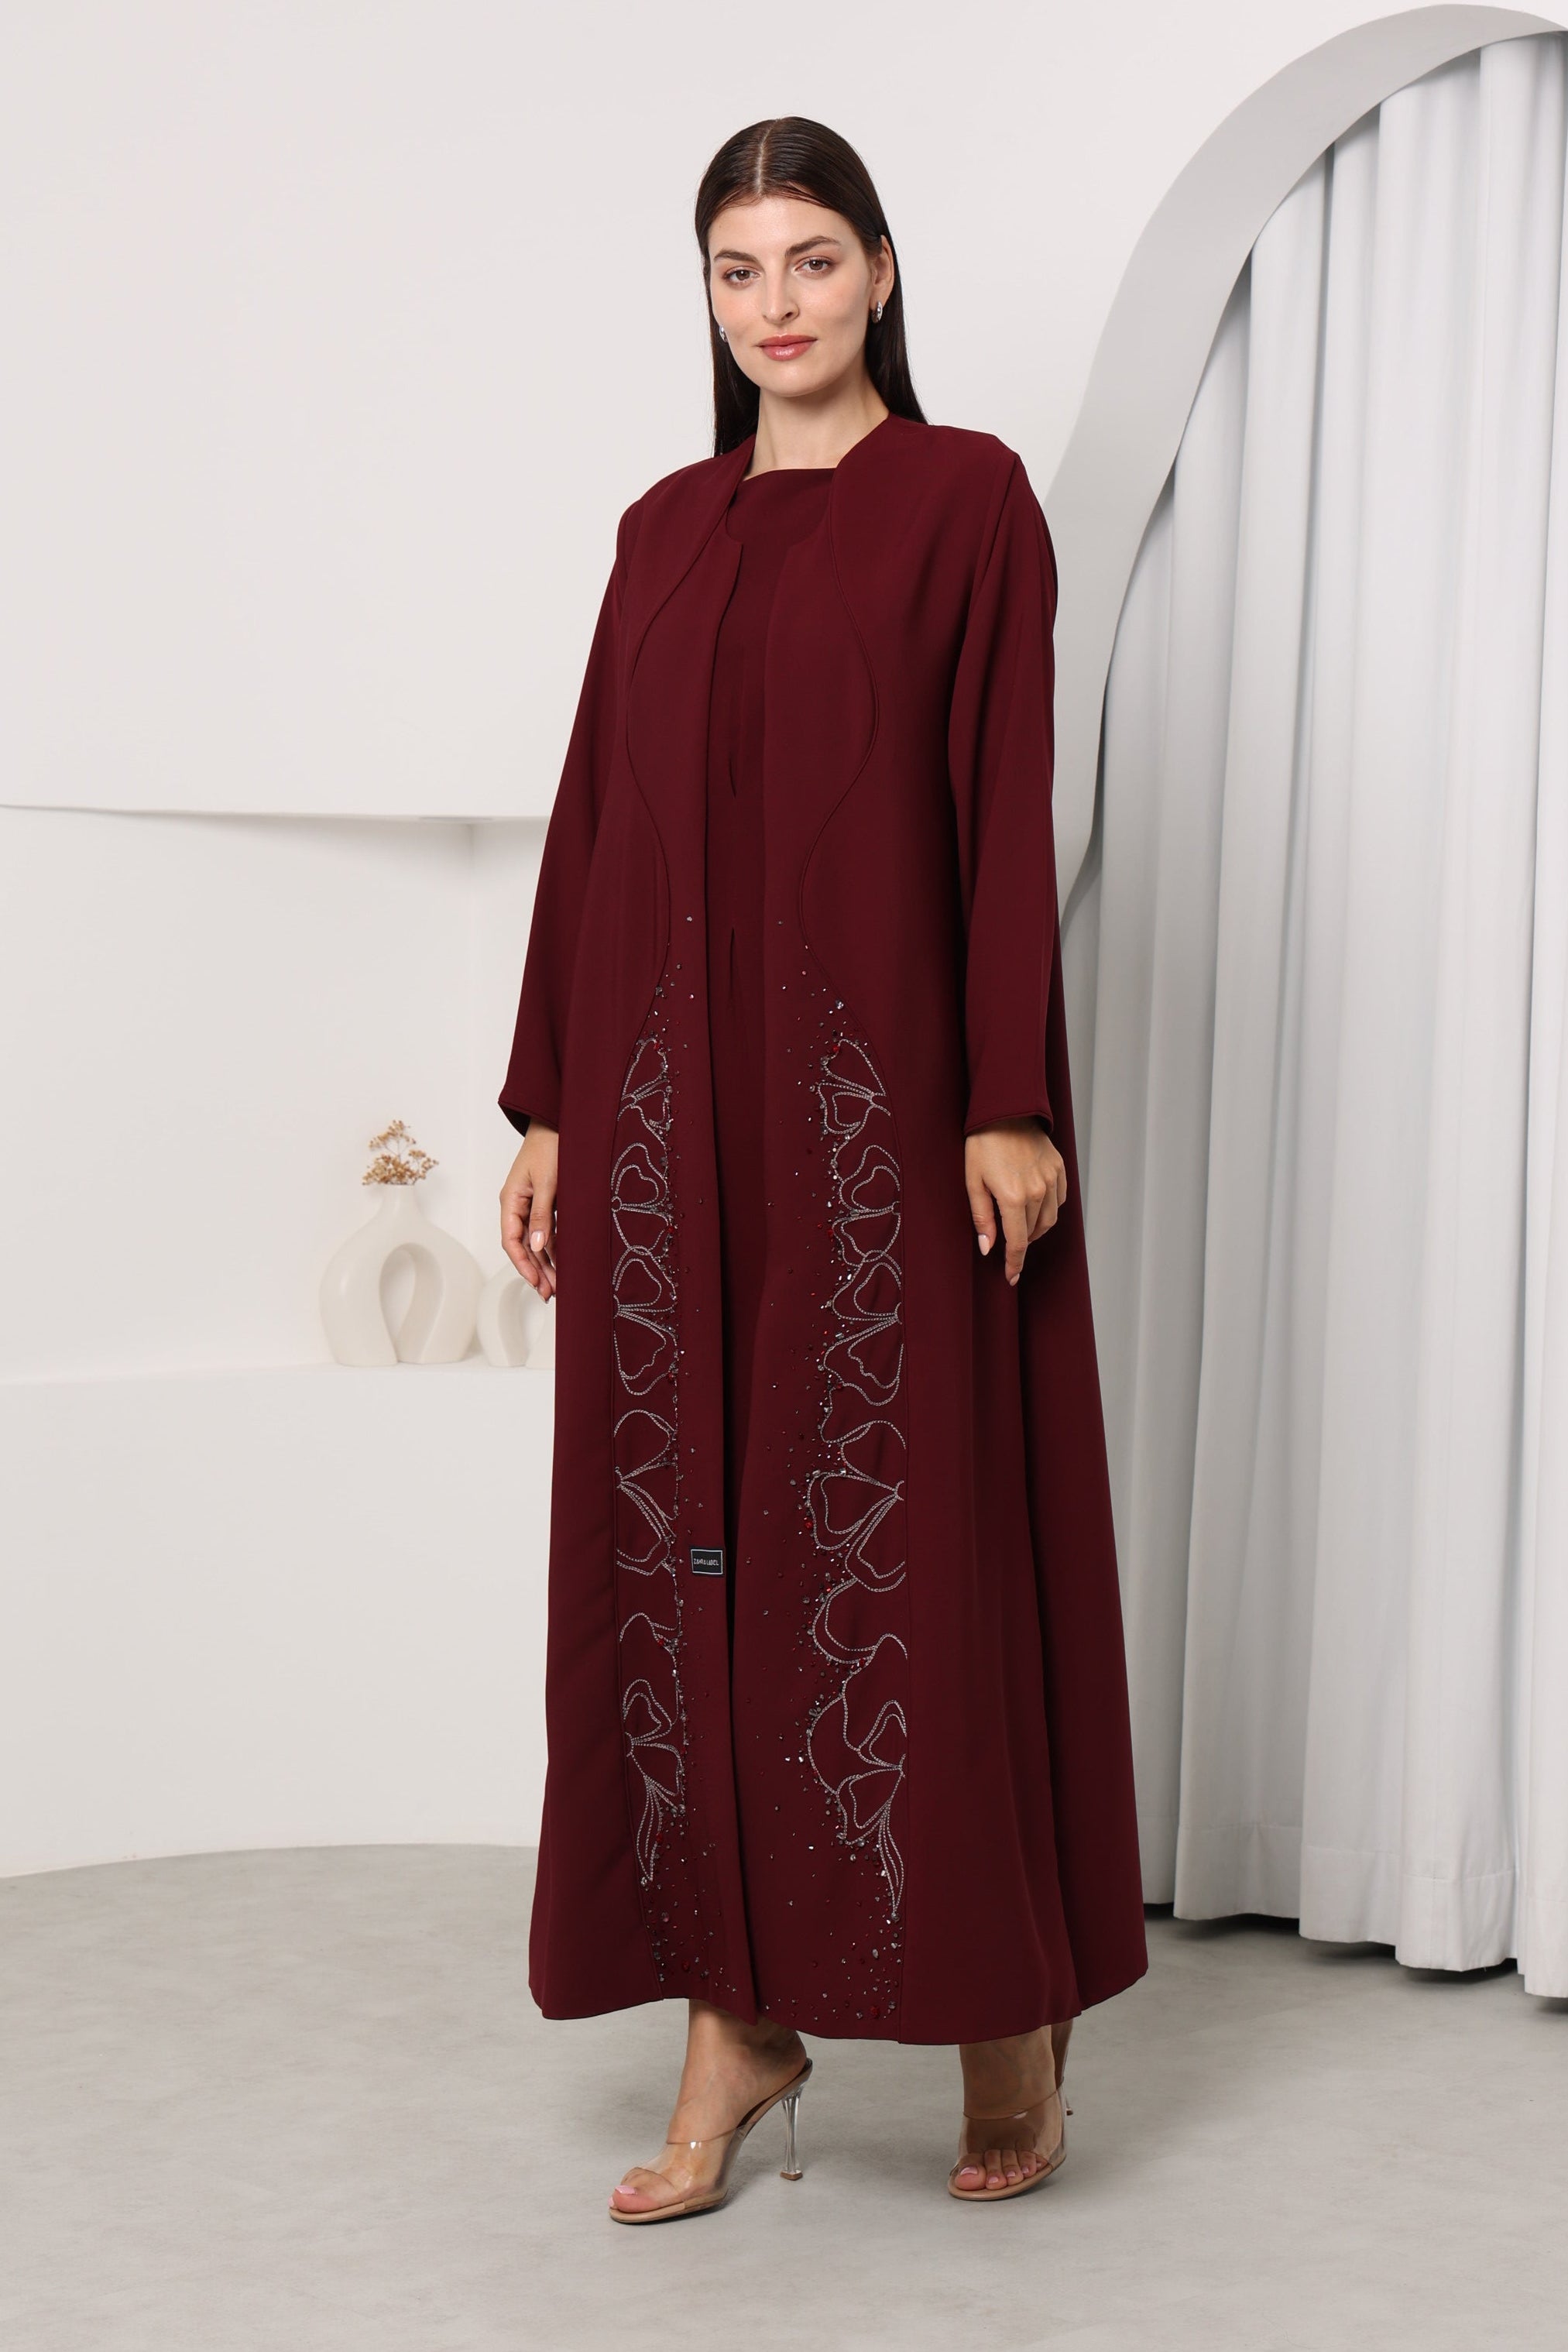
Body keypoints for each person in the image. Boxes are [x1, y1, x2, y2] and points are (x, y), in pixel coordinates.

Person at [496, 115, 1146, 2220]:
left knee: (906, 1542)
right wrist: (551, 1102)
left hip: (883, 1126)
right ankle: (734, 2022)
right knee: (685, 1556)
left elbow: (999, 798)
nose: (773, 306)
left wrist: (1007, 1094)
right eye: (734, 270)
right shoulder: (660, 532)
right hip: (672, 1129)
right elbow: (594, 818)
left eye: (808, 261)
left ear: (879, 271)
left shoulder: (965, 502)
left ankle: (998, 2012)